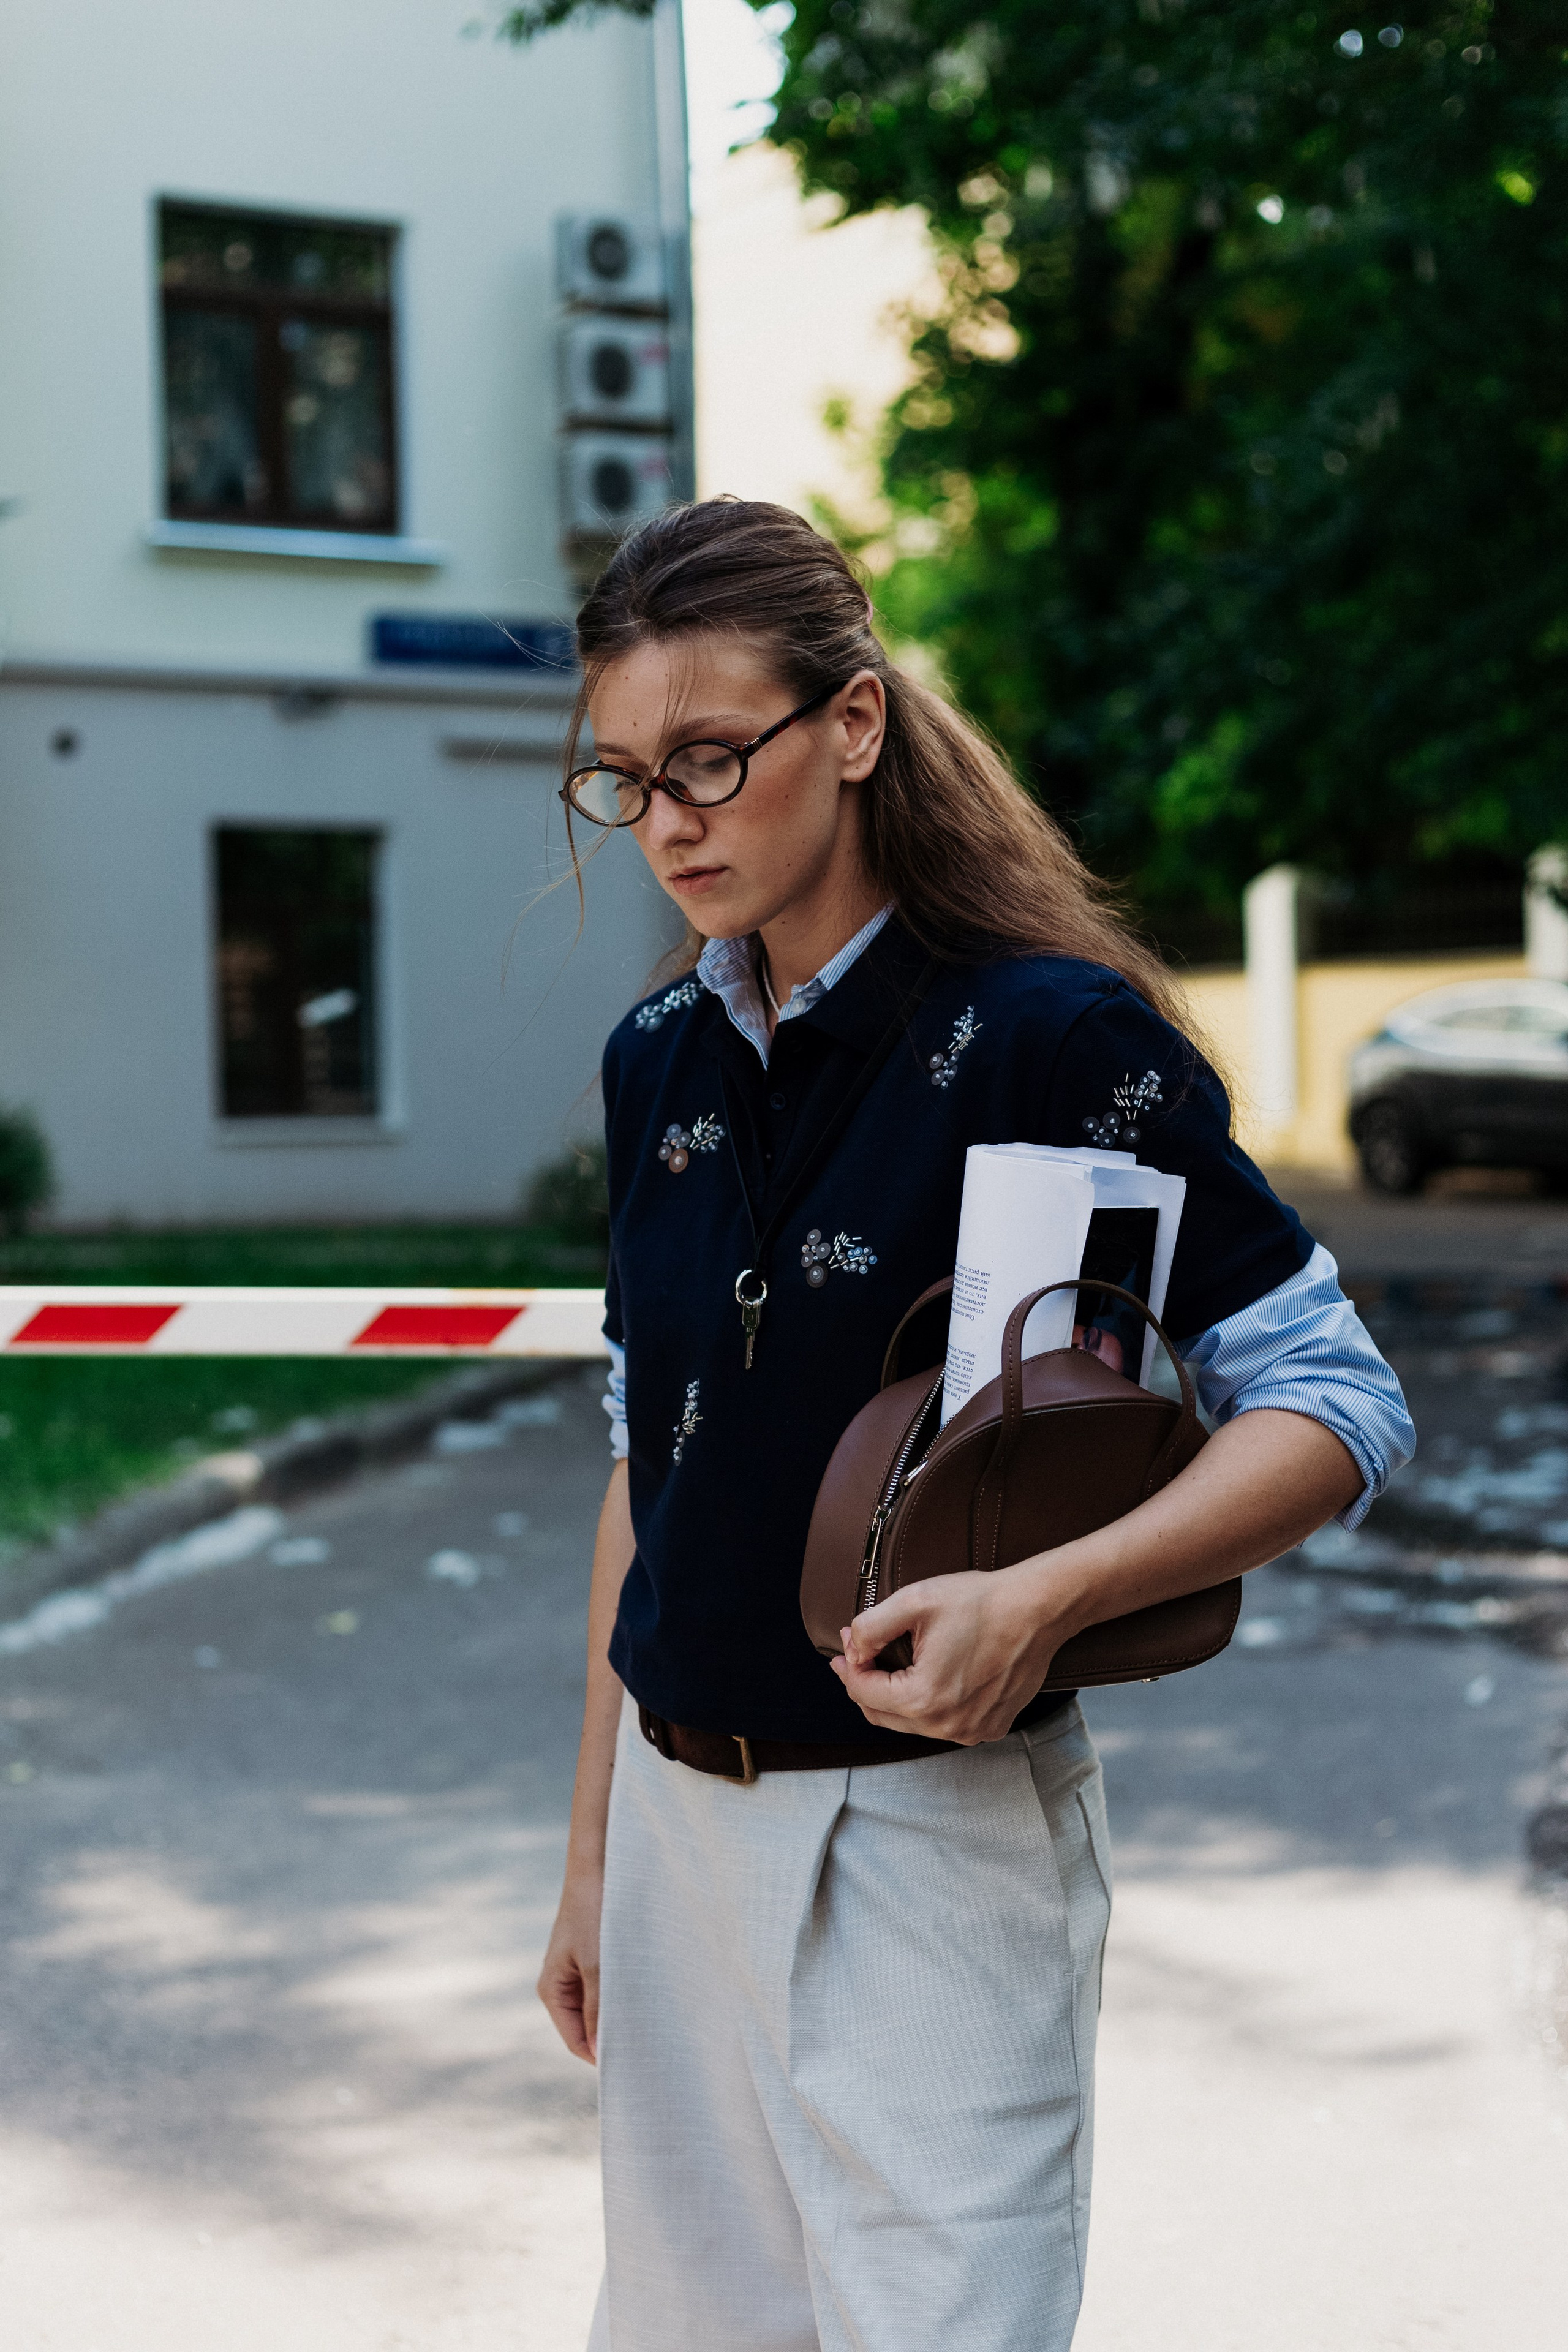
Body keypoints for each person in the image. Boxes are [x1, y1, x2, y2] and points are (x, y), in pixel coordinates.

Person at [537, 499, 1414, 2352]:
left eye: (712, 758)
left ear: (853, 723)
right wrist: (595, 1859)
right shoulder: (655, 1061)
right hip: (680, 1840)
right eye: (625, 782)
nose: (670, 820)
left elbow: (1335, 1398)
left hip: (926, 1837)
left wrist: (1049, 1597)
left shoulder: (1052, 1044)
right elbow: (648, 1462)